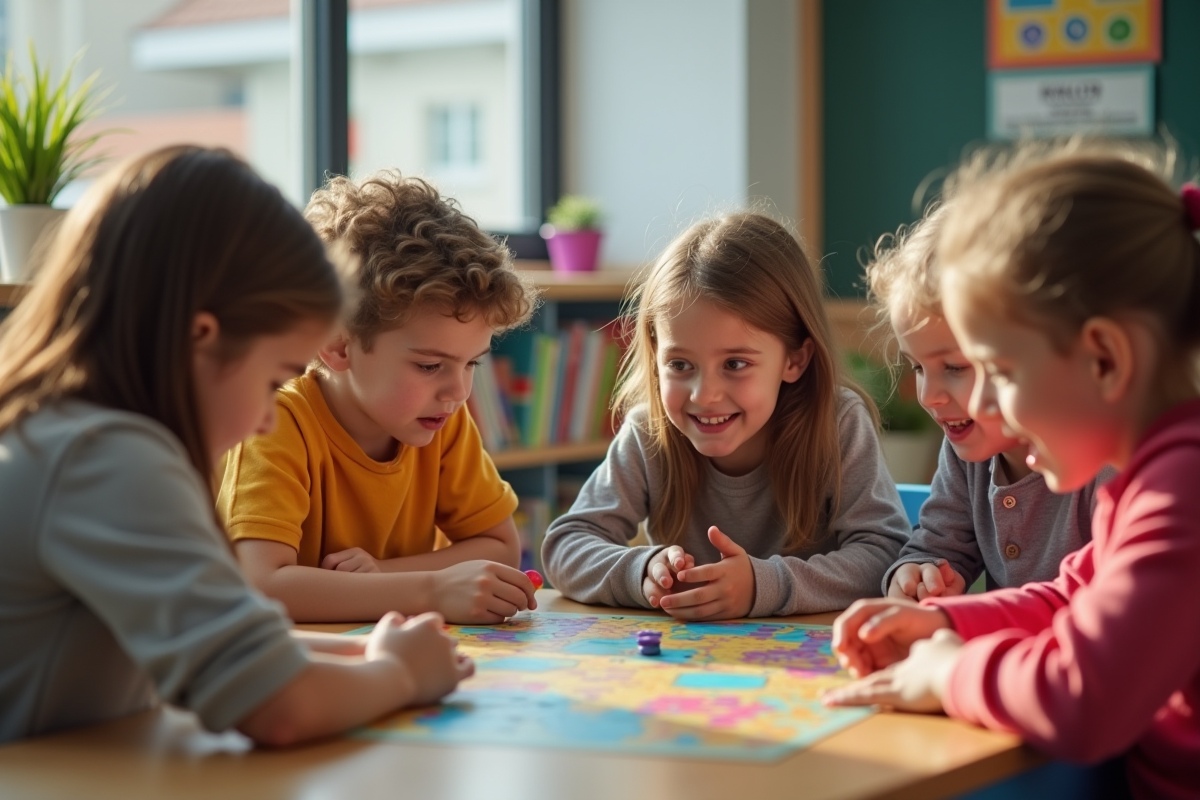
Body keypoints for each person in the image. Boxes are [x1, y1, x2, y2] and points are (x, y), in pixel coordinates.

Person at [0, 146, 472, 746]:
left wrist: (364, 653)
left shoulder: (61, 433)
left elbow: (210, 646)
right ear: (200, 339)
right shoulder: (105, 457)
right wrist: (402, 673)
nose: (266, 422)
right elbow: (279, 708)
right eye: (273, 381)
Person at [826, 145, 1200, 800]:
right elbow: (1069, 598)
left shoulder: (1183, 490)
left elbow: (1084, 698)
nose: (985, 405)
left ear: (1104, 358)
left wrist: (951, 672)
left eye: (999, 373)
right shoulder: (1154, 475)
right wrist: (945, 624)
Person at [542, 212, 910, 620]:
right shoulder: (649, 432)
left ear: (794, 360)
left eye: (735, 364)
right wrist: (640, 570)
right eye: (680, 365)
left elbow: (885, 555)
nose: (705, 395)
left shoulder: (837, 423)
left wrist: (762, 585)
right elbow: (566, 545)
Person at [218, 172, 539, 624]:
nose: (458, 392)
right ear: (338, 346)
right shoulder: (274, 423)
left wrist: (382, 576)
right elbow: (262, 585)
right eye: (430, 366)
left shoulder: (441, 419)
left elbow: (500, 547)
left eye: (472, 364)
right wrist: (430, 589)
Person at [864, 205, 1111, 601]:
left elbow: (1107, 606)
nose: (929, 396)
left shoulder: (1111, 462)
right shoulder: (968, 449)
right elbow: (938, 548)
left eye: (956, 367)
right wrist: (918, 574)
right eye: (917, 367)